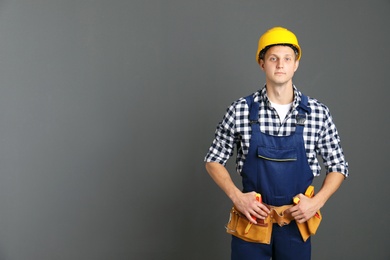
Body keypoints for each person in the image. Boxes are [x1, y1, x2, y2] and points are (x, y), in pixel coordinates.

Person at [204, 27, 349, 260]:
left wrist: (316, 202)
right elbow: (213, 160)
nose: (280, 65)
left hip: (296, 225)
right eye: (273, 58)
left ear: (296, 64)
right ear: (262, 63)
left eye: (287, 59)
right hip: (251, 224)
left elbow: (339, 166)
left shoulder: (317, 113)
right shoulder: (240, 110)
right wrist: (237, 197)